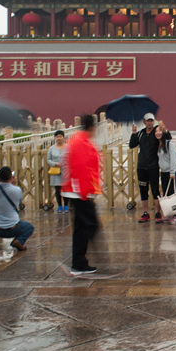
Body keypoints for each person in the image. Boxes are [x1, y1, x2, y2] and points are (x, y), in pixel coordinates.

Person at [62, 114, 100, 275]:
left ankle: (79, 262)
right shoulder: (81, 143)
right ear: (92, 127)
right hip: (79, 193)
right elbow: (80, 168)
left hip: (76, 191)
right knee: (89, 226)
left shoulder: (78, 140)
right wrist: (85, 192)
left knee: (81, 227)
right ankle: (79, 263)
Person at [0, 166, 34, 261]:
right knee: (29, 227)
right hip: (13, 229)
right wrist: (13, 183)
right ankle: (18, 241)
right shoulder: (17, 190)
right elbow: (17, 201)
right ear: (11, 177)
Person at [129, 113, 170, 222]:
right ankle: (145, 213)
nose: (150, 122)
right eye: (148, 121)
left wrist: (165, 130)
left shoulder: (156, 132)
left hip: (153, 166)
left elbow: (167, 139)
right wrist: (133, 133)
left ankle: (158, 213)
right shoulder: (140, 133)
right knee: (143, 190)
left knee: (155, 190)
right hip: (141, 166)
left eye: (151, 120)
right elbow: (132, 145)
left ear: (153, 121)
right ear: (144, 122)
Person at [155, 125, 176, 224]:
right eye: (156, 131)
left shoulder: (169, 144)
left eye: (160, 131)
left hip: (172, 172)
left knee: (173, 194)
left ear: (164, 132)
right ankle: (169, 214)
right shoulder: (159, 144)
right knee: (166, 194)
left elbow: (174, 158)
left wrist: (172, 172)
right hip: (164, 172)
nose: (158, 133)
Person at [47, 130, 67, 213]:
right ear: (55, 138)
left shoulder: (67, 147)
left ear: (63, 137)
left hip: (65, 171)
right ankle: (59, 206)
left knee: (66, 189)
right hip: (56, 172)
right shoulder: (51, 148)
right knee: (57, 189)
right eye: (57, 136)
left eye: (60, 136)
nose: (59, 138)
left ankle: (66, 205)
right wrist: (55, 164)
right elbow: (48, 160)